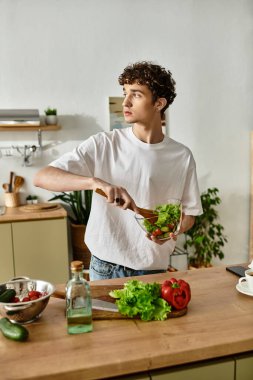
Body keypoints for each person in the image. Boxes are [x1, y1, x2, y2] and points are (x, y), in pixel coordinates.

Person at [34, 61, 203, 280]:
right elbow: (42, 177)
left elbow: (189, 215)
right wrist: (95, 183)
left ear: (159, 103)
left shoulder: (182, 156)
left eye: (136, 94)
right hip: (105, 268)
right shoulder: (104, 144)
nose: (125, 101)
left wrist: (173, 231)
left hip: (155, 269)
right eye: (125, 93)